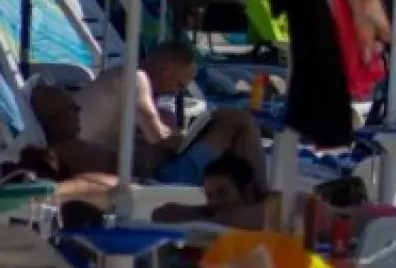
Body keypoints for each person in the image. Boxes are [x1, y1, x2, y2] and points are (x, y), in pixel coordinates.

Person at [70, 43, 268, 186]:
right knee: (236, 121)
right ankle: (259, 196)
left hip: (119, 169)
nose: (176, 92)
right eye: (179, 85)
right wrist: (182, 138)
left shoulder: (120, 76)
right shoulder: (135, 79)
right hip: (145, 181)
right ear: (165, 69)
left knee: (228, 124)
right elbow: (155, 133)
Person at [151, 153, 272, 228]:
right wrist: (204, 212)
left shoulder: (274, 210)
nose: (214, 201)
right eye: (209, 195)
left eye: (223, 193)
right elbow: (160, 215)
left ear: (247, 191)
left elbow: (231, 219)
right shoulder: (214, 213)